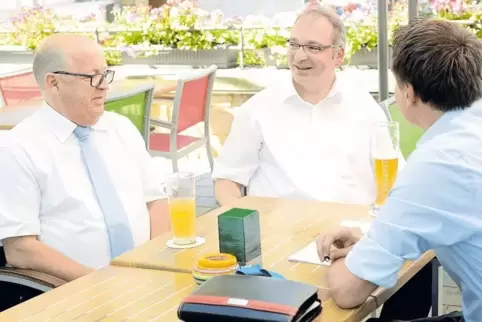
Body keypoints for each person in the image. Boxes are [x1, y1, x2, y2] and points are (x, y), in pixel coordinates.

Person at [317, 19, 482, 321]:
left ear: (409, 93)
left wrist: (342, 260)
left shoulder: (439, 163)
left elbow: (347, 291)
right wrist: (372, 241)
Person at [0, 34, 170, 283]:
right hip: (75, 290)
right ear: (54, 83)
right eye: (92, 77)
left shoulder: (120, 128)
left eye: (105, 74)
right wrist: (101, 284)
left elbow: (156, 200)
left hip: (148, 276)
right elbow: (20, 249)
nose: (104, 85)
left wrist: (156, 263)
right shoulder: (17, 148)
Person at [212, 5, 398, 206]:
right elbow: (227, 180)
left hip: (350, 230)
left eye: (313, 47)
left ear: (338, 55)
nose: (300, 56)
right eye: (294, 45)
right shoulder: (257, 109)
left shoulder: (365, 108)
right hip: (279, 231)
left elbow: (395, 179)